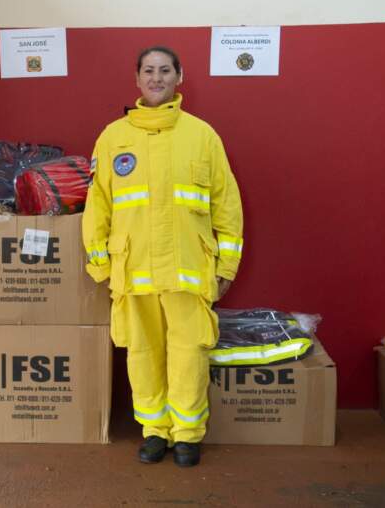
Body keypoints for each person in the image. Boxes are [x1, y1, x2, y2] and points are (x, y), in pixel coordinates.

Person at [82, 46, 243, 467]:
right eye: (149, 71)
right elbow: (97, 206)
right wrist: (100, 263)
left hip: (189, 268)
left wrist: (226, 266)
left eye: (165, 70)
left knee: (189, 351)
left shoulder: (202, 136)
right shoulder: (113, 137)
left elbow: (227, 205)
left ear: (179, 77)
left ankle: (188, 434)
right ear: (136, 79)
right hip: (133, 269)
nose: (157, 78)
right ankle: (154, 431)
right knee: (142, 352)